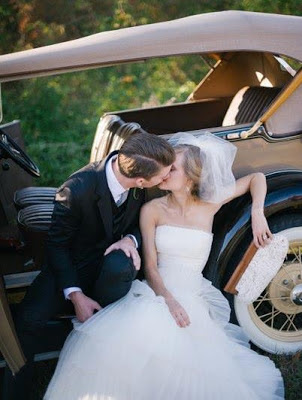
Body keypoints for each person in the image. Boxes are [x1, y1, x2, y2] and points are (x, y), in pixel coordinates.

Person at [44, 132, 284, 400]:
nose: (165, 173)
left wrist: (257, 212)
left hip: (193, 295)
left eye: (173, 169)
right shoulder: (152, 210)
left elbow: (256, 179)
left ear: (190, 178)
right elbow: (151, 267)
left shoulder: (210, 204)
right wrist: (168, 300)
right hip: (157, 294)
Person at [2, 131, 175, 400]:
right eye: (162, 176)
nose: (167, 178)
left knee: (120, 268)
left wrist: (130, 239)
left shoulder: (142, 181)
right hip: (73, 263)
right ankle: (16, 392)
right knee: (29, 319)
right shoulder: (77, 189)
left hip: (111, 265)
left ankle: (108, 349)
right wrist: (75, 295)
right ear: (140, 181)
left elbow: (145, 222)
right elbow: (57, 246)